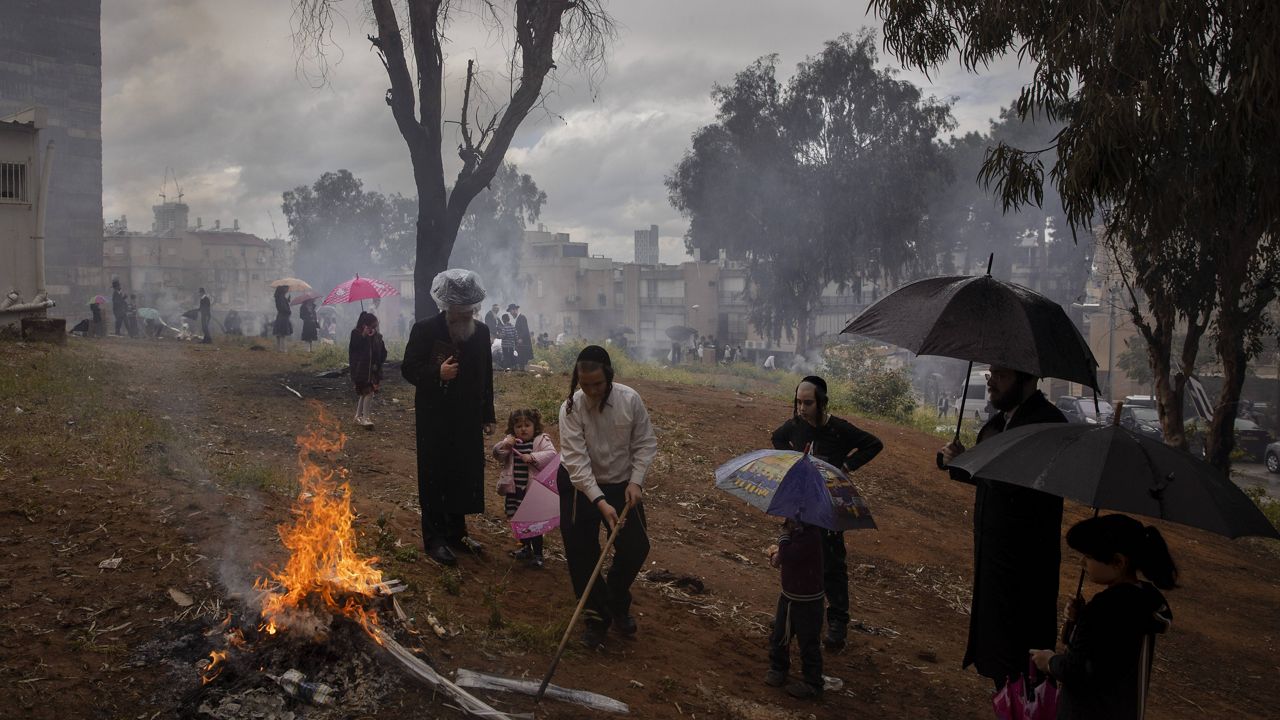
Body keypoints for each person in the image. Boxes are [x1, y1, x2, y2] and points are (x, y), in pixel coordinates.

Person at [939, 366, 1067, 688]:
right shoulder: (998, 423)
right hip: (993, 554)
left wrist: (975, 466)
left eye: (1001, 375)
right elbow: (985, 475)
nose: (991, 381)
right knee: (998, 649)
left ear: (1027, 379)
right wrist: (957, 461)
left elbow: (1020, 484)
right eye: (990, 374)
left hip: (1027, 562)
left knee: (1024, 654)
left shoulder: (1047, 424)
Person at [771, 376, 883, 651]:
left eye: (808, 403)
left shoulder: (839, 429)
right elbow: (777, 437)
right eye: (798, 402)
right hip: (802, 505)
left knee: (832, 562)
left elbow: (873, 444)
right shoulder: (795, 427)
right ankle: (796, 617)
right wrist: (792, 461)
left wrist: (847, 464)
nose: (801, 408)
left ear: (822, 403)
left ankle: (837, 622)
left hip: (830, 503)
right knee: (798, 557)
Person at [557, 345, 658, 648]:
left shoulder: (630, 400)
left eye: (597, 384)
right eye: (584, 384)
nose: (591, 391)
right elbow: (576, 461)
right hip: (580, 487)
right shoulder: (571, 408)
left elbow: (644, 443)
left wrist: (636, 482)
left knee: (635, 548)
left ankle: (614, 599)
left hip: (622, 485)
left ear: (609, 377)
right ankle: (595, 618)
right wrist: (599, 502)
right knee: (582, 555)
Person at [1031, 514, 1176, 719]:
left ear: (1118, 562)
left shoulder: (1104, 609)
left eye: (1089, 556)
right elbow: (1106, 652)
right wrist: (1078, 618)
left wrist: (1050, 662)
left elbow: (1077, 669)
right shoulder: (1145, 600)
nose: (1082, 562)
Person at [401, 269, 496, 566]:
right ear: (447, 306)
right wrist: (436, 374)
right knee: (434, 475)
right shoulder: (425, 330)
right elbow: (408, 368)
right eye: (460, 309)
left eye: (470, 309)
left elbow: (486, 376)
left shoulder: (480, 333)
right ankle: (435, 539)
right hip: (435, 417)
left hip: (466, 417)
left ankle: (457, 532)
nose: (466, 314)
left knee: (463, 473)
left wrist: (487, 414)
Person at [765, 519, 825, 700]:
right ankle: (778, 668)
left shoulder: (811, 537)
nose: (787, 519)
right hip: (789, 596)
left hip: (807, 602)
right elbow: (783, 558)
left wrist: (783, 539)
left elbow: (790, 555)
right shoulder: (799, 533)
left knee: (808, 643)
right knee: (780, 635)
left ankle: (813, 683)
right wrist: (777, 556)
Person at [493, 408, 558, 568]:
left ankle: (537, 554)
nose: (523, 429)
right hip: (515, 491)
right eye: (518, 426)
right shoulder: (511, 442)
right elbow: (497, 454)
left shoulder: (541, 440)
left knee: (533, 523)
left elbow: (551, 454)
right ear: (512, 428)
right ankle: (525, 548)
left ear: (535, 426)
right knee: (519, 520)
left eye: (527, 425)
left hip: (532, 491)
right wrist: (505, 444)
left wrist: (533, 457)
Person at [349, 311, 388, 428]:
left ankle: (357, 416)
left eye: (375, 326)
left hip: (373, 370)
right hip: (360, 369)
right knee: (368, 392)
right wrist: (363, 336)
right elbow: (354, 349)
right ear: (365, 325)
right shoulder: (356, 333)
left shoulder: (377, 336)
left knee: (365, 393)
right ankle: (366, 418)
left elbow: (382, 352)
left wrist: (379, 361)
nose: (374, 328)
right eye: (372, 325)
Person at [509, 304, 532, 371]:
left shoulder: (522, 317)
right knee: (520, 361)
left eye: (511, 312)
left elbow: (524, 330)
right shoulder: (518, 318)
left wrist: (520, 338)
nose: (511, 314)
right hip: (521, 344)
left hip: (524, 343)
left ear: (515, 310)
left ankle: (523, 375)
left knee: (523, 361)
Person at [272, 285, 292, 352]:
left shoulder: (280, 297)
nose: (287, 290)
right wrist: (288, 311)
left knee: (279, 333)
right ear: (282, 289)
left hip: (281, 316)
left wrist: (287, 301)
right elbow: (283, 307)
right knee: (282, 333)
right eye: (286, 288)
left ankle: (279, 348)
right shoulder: (281, 297)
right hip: (283, 316)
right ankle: (282, 349)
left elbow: (282, 305)